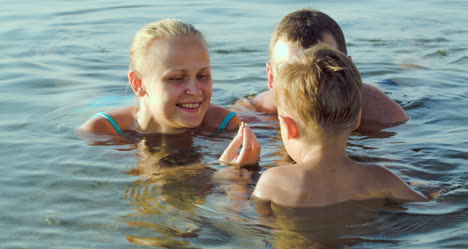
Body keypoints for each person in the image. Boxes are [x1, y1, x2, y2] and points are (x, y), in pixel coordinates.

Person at [252, 45, 428, 211]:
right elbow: (430, 206)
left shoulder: (274, 182)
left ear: (289, 127)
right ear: (357, 119)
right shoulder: (381, 178)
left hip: (295, 243)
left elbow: (247, 222)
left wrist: (237, 177)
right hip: (362, 243)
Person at [79, 19, 259, 165]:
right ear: (138, 83)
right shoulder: (102, 132)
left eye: (203, 75)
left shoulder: (224, 126)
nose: (196, 91)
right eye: (177, 78)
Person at [243, 8, 408, 131]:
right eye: (290, 71)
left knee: (393, 81)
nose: (307, 84)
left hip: (376, 91)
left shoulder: (382, 114)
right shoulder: (259, 111)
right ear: (271, 78)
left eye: (323, 68)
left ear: (349, 73)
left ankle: (410, 65)